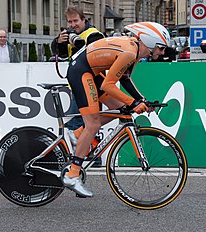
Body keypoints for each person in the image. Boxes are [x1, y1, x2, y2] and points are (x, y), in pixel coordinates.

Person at [62, 21, 169, 197]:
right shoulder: (129, 53)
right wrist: (134, 103)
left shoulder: (134, 53)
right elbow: (108, 85)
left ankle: (76, 136)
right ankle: (73, 174)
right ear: (150, 42)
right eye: (161, 48)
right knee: (93, 125)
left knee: (122, 109)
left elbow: (125, 79)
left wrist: (141, 100)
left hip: (92, 71)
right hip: (81, 72)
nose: (162, 52)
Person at [51, 6, 104, 153]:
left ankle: (82, 154)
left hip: (92, 84)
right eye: (70, 22)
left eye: (75, 21)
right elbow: (59, 54)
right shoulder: (70, 35)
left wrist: (78, 44)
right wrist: (59, 42)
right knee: (87, 122)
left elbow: (94, 56)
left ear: (83, 20)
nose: (73, 25)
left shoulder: (93, 34)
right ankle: (83, 154)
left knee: (85, 122)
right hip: (79, 84)